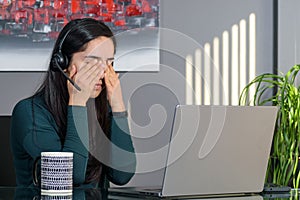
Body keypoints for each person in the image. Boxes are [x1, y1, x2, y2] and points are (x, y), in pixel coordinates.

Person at [10, 18, 136, 188]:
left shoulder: (100, 109)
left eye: (109, 63)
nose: (101, 73)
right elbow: (68, 177)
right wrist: (77, 103)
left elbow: (122, 175)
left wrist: (118, 106)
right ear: (62, 62)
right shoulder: (29, 112)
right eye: (91, 62)